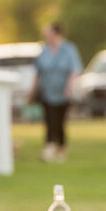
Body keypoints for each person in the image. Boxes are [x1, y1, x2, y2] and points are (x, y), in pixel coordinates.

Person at [31, 22, 82, 162]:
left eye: (49, 32)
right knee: (49, 119)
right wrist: (32, 91)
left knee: (60, 120)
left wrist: (70, 87)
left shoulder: (69, 49)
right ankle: (49, 146)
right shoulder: (44, 50)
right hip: (47, 90)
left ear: (57, 33)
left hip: (63, 91)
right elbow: (38, 72)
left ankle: (61, 148)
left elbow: (75, 69)